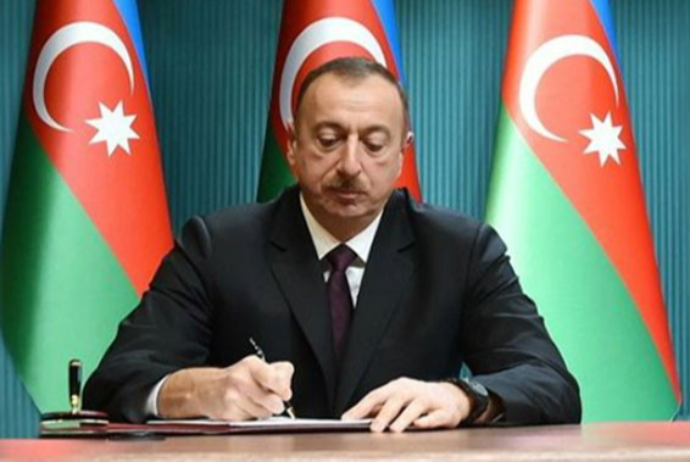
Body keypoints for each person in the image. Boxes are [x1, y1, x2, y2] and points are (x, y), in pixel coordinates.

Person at [84, 57, 581, 432]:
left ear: (402, 154)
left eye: (374, 144)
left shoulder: (460, 250)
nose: (350, 165)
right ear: (293, 147)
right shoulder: (218, 246)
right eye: (328, 139)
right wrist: (200, 390)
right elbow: (114, 382)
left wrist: (462, 397)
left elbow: (551, 383)